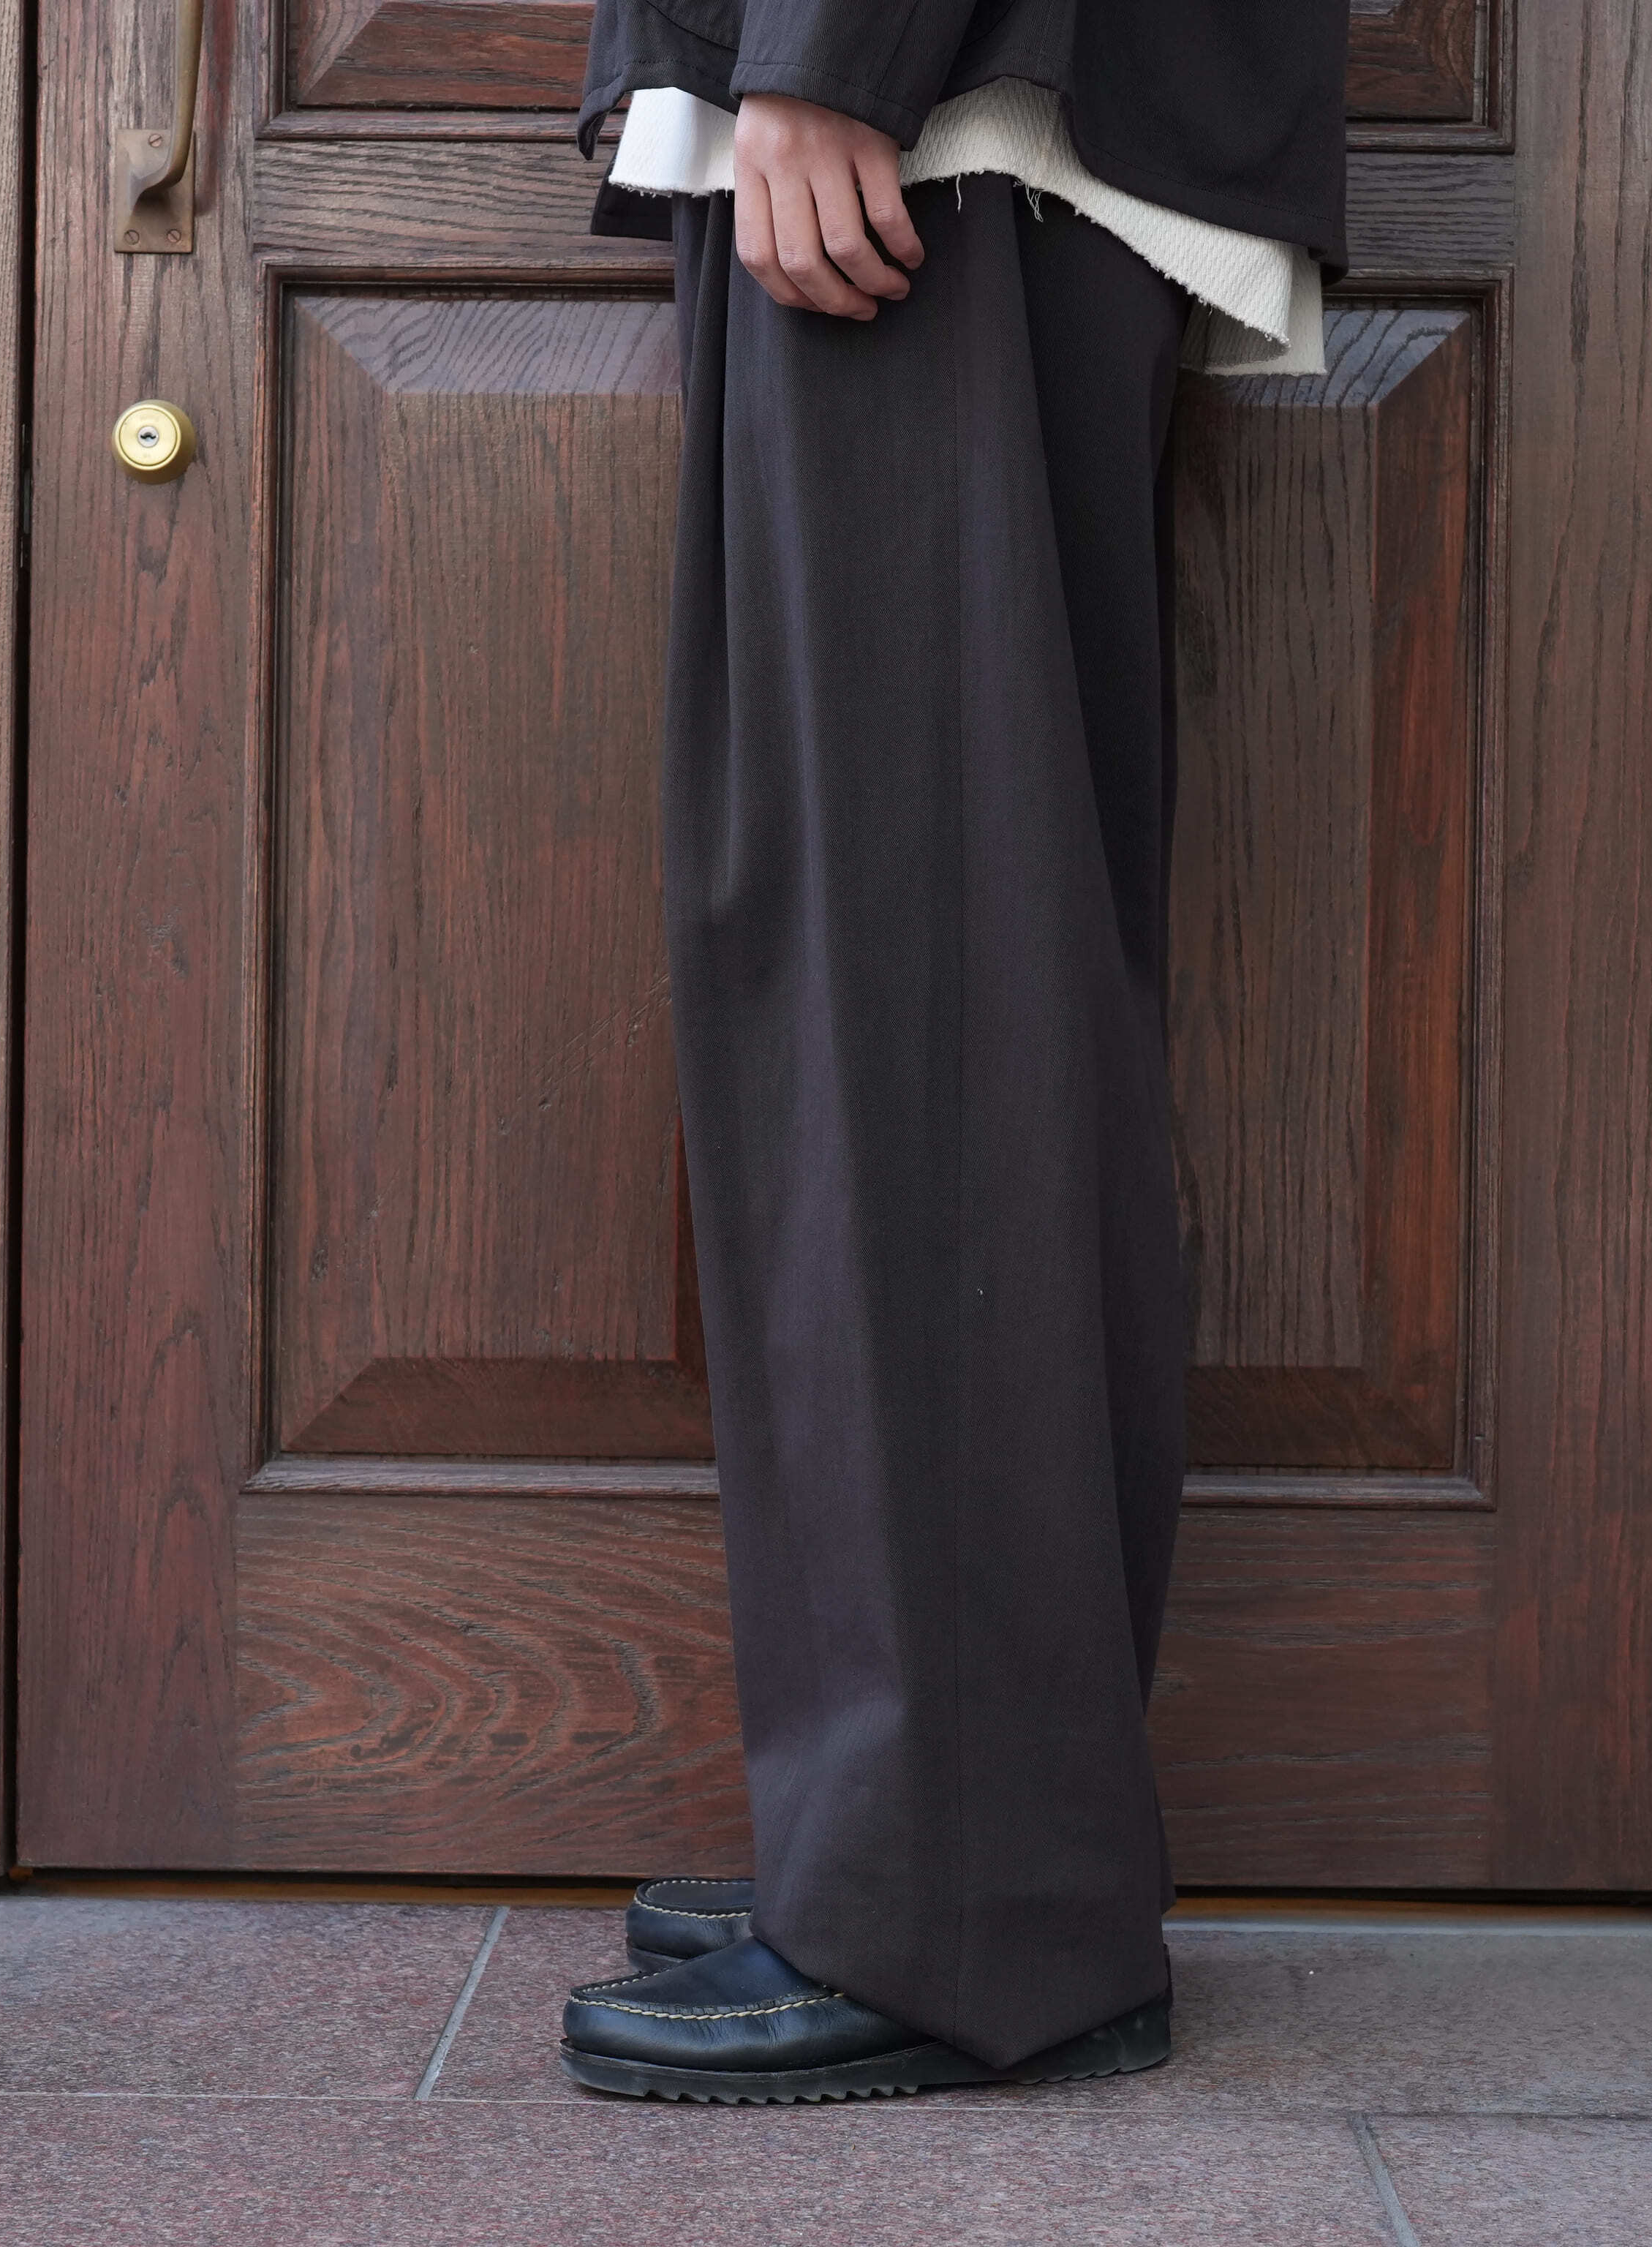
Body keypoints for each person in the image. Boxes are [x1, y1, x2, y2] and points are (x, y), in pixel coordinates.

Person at [557, 0, 1350, 2104]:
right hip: (935, 121)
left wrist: (834, 52)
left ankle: (975, 1910)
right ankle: (940, 1852)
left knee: (916, 1026)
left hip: (931, 124)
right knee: (917, 999)